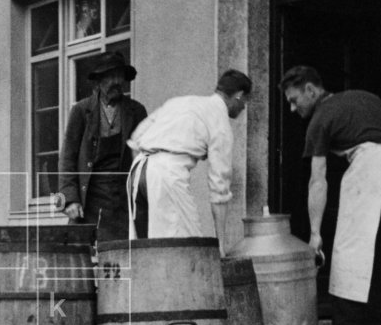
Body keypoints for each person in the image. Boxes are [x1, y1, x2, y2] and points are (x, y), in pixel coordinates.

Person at [279, 65, 381, 325]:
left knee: (350, 247)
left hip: (375, 164)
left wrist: (316, 233)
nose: (293, 109)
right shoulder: (364, 97)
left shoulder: (319, 120)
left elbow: (317, 180)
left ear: (311, 90)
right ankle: (372, 322)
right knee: (380, 246)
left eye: (294, 101)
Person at [125, 69, 250, 247]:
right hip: (167, 174)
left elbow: (136, 139)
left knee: (147, 248)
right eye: (245, 101)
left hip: (137, 171)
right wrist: (220, 245)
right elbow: (219, 188)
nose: (244, 107)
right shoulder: (220, 122)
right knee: (188, 248)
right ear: (239, 95)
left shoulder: (180, 102)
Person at [57, 51, 147, 242]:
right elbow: (68, 158)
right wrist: (70, 199)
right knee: (89, 255)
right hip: (90, 198)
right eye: (110, 76)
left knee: (125, 252)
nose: (116, 81)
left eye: (119, 76)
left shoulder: (136, 111)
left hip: (124, 200)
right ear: (98, 81)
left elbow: (145, 159)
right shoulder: (81, 111)